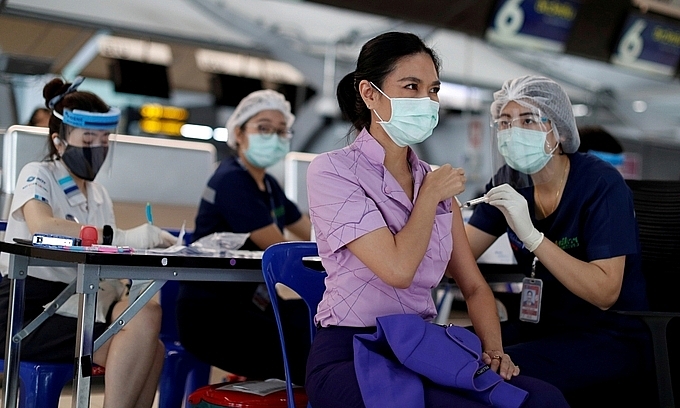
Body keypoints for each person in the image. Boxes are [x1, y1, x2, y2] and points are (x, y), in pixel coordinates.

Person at [305, 32, 568, 408]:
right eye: (411, 86)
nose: (427, 101)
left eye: (433, 90)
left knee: (543, 400)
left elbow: (474, 287)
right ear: (370, 93)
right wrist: (429, 195)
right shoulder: (332, 171)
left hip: (422, 346)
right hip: (354, 349)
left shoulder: (434, 181)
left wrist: (495, 352)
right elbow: (397, 269)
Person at [464, 75, 653, 405]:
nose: (513, 131)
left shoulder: (600, 184)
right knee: (444, 352)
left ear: (561, 130)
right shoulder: (511, 179)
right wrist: (431, 211)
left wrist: (534, 238)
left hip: (608, 337)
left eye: (528, 120)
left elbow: (605, 293)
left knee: (486, 376)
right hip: (539, 328)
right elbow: (456, 257)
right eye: (505, 122)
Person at [0, 77, 177, 408]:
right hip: (27, 310)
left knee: (152, 336)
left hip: (79, 301)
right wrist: (120, 237)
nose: (98, 146)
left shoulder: (98, 195)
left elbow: (104, 259)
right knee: (144, 336)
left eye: (105, 138)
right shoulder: (37, 173)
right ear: (60, 140)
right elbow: (42, 226)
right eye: (88, 138)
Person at [176, 89, 312, 384]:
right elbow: (280, 249)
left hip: (252, 304)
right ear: (238, 133)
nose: (273, 137)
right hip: (213, 315)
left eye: (280, 131)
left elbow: (310, 232)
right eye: (263, 128)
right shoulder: (232, 181)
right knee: (308, 346)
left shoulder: (269, 185)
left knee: (314, 321)